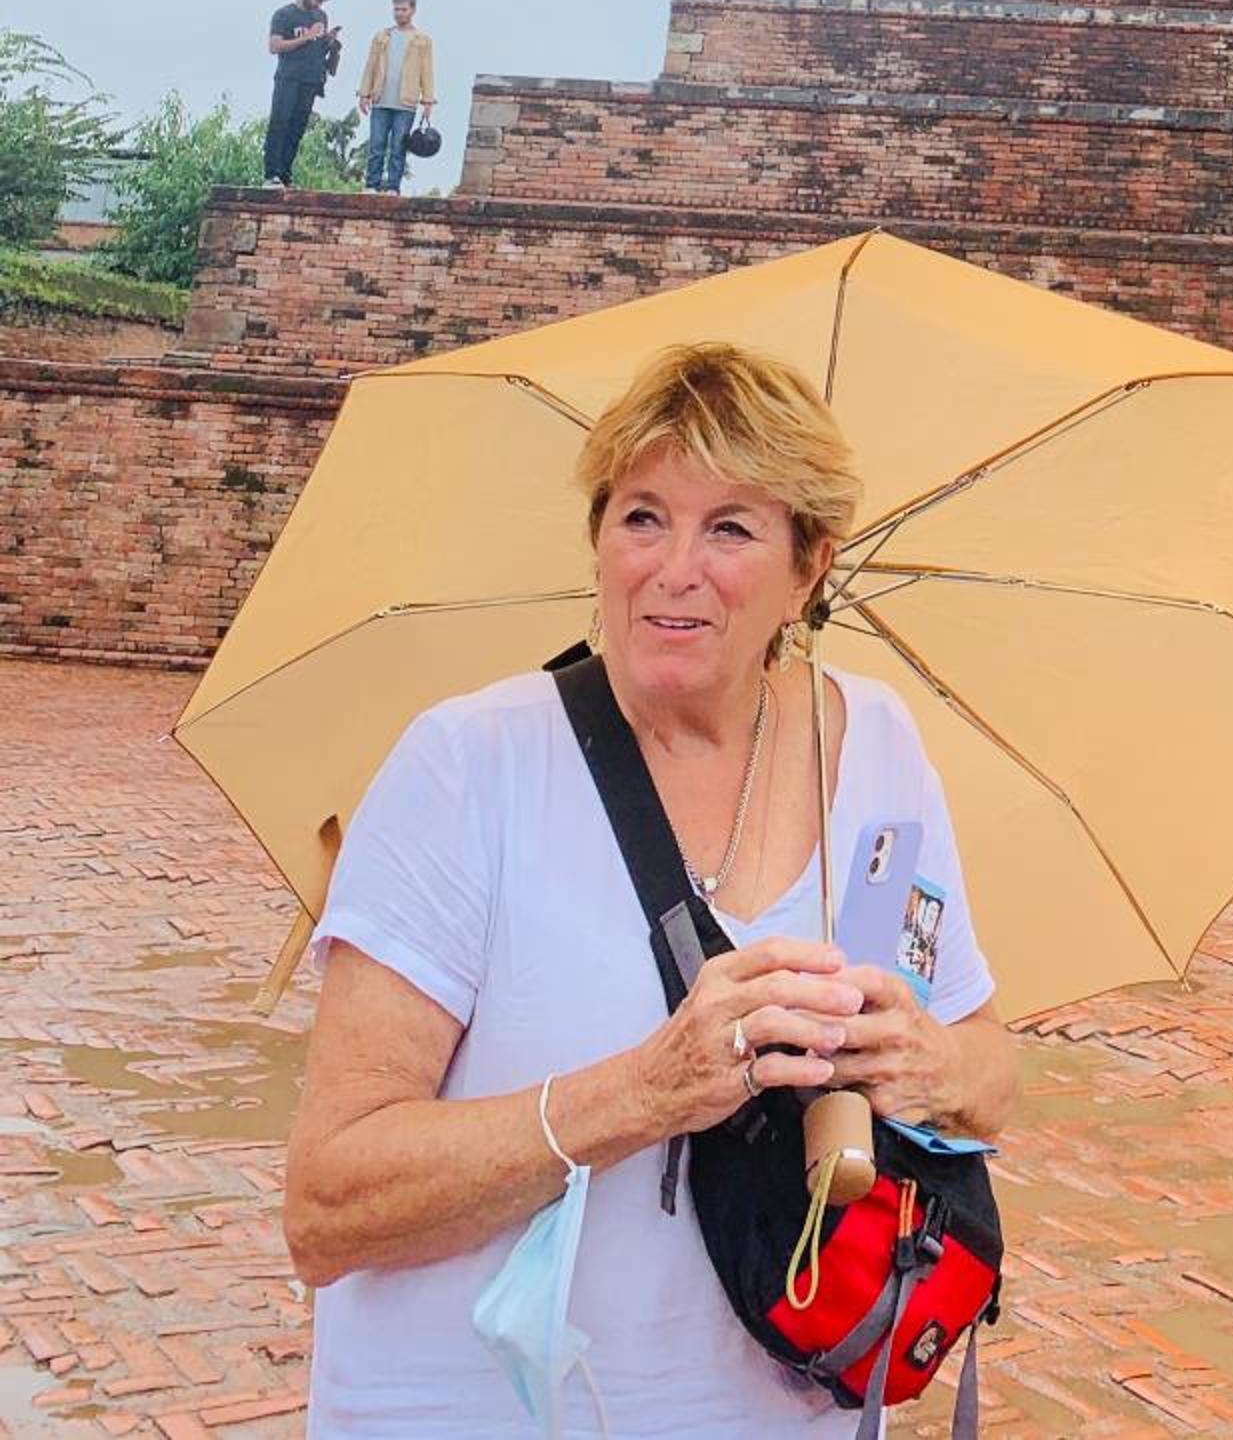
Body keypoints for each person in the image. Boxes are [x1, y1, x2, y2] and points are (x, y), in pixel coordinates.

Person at [284, 341, 1018, 1434]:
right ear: (598, 540)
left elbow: (992, 1071)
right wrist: (644, 1091)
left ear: (808, 567)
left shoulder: (876, 751)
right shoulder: (469, 768)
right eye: (642, 517)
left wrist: (927, 1061)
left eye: (730, 528)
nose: (675, 568)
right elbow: (329, 1205)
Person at [357, 0, 438, 194]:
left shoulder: (422, 40)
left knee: (398, 147)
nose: (399, 13)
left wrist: (428, 100)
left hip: (406, 101)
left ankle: (393, 186)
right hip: (380, 98)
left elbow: (427, 71)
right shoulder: (382, 37)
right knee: (376, 144)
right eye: (396, 9)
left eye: (403, 9)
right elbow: (370, 65)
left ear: (412, 10)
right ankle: (372, 184)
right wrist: (364, 94)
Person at [265, 0, 341, 188]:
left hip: (311, 80)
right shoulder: (284, 14)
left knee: (296, 129)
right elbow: (274, 46)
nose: (319, 5)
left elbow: (317, 48)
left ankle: (285, 174)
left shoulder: (321, 16)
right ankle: (271, 174)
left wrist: (328, 41)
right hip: (288, 77)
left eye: (323, 1)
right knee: (280, 124)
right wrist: (307, 36)